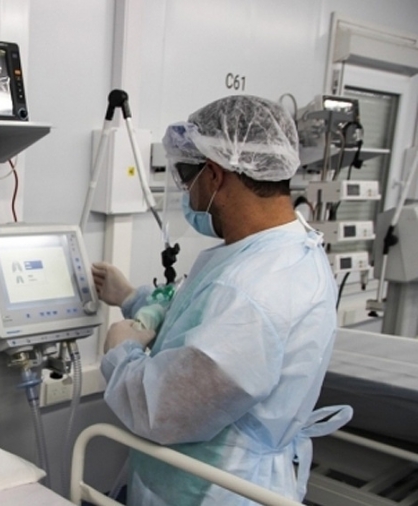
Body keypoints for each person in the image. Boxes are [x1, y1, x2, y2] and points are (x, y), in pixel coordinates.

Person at [92, 95, 352, 505]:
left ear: (213, 175)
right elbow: (201, 326)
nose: (187, 193)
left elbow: (164, 407)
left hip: (214, 490)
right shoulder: (285, 249)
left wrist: (120, 353)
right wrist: (132, 298)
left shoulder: (255, 290)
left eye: (187, 178)